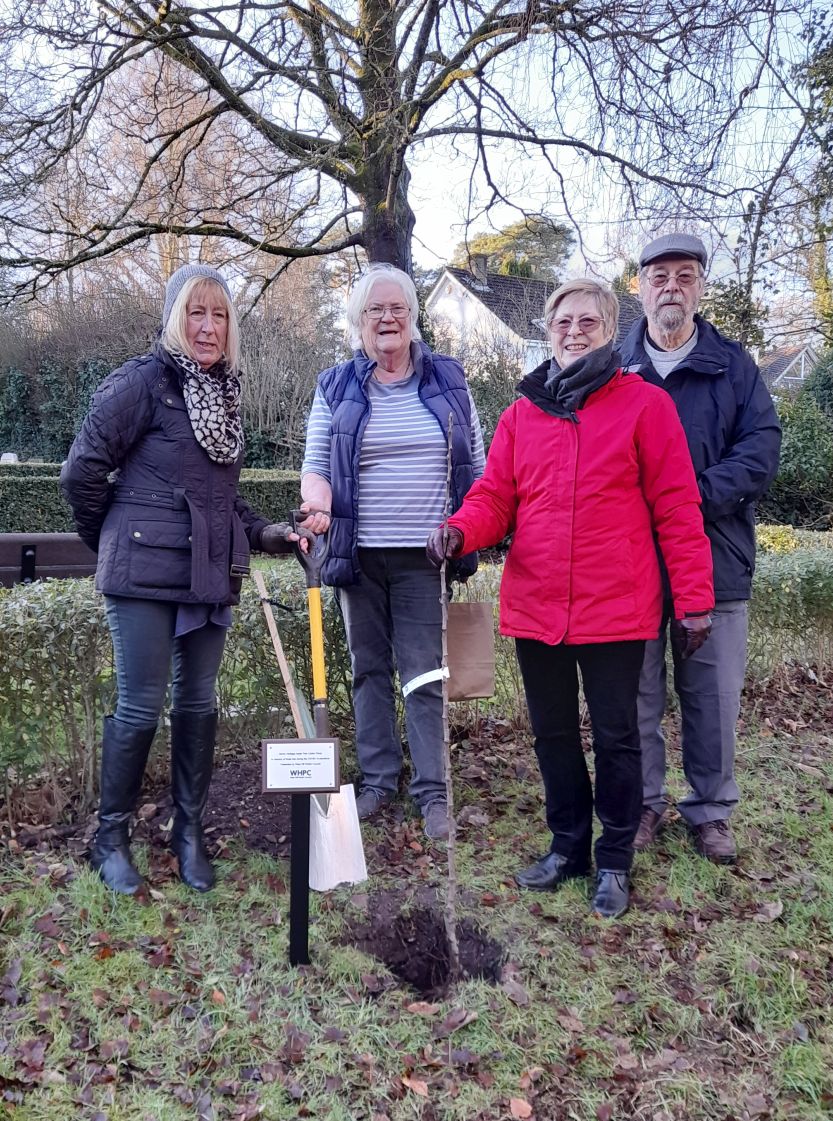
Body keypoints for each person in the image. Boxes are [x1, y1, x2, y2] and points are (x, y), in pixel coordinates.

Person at [427, 278, 714, 918]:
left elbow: (677, 507)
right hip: (537, 606)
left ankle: (613, 858)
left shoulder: (645, 406)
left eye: (589, 320)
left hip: (616, 608)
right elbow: (496, 497)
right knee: (553, 735)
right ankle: (568, 845)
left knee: (617, 738)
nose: (574, 330)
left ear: (612, 329)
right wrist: (458, 530)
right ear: (549, 328)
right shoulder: (522, 413)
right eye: (564, 320)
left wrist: (694, 599)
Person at [61, 263, 309, 896]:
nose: (208, 326)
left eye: (219, 314)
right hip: (142, 576)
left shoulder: (224, 395)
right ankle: (109, 840)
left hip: (205, 574)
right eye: (196, 313)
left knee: (198, 703)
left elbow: (218, 498)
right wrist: (116, 542)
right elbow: (81, 475)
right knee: (141, 704)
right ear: (175, 318)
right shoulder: (139, 384)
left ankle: (188, 831)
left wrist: (266, 534)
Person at [299, 263, 485, 841]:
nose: (387, 318)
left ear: (412, 317)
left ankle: (434, 793)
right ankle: (380, 780)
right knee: (369, 668)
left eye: (397, 308)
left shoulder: (450, 380)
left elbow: (476, 467)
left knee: (424, 673)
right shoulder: (335, 386)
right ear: (358, 322)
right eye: (375, 310)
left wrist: (466, 525)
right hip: (358, 554)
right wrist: (319, 505)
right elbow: (315, 468)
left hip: (424, 557)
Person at [620, 234, 781, 864]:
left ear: (700, 288)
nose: (671, 288)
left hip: (715, 561)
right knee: (635, 694)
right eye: (659, 277)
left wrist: (685, 497)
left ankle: (711, 811)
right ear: (640, 288)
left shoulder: (735, 367)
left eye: (684, 276)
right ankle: (641, 804)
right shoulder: (614, 364)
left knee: (711, 697)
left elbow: (760, 454)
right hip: (630, 566)